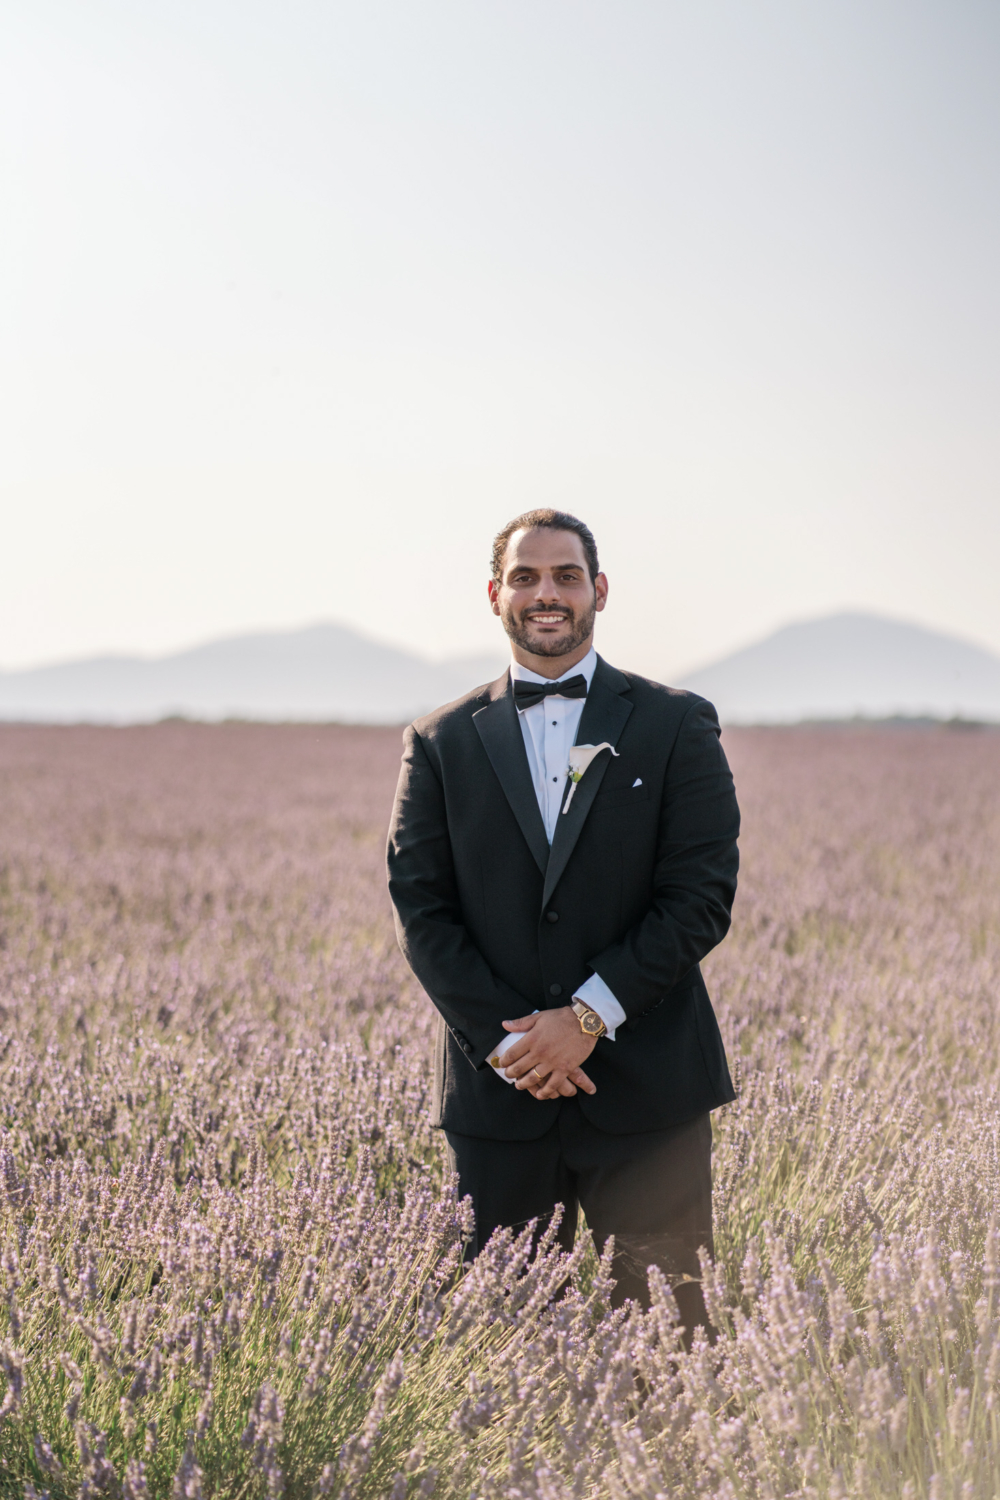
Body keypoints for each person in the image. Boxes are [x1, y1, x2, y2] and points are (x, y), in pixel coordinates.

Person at [386, 509, 739, 1333]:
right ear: (494, 595)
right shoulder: (439, 741)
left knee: (671, 1342)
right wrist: (514, 1044)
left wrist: (586, 1017)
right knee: (499, 1359)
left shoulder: (675, 724)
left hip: (650, 1094)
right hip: (500, 1097)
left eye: (566, 576)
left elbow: (700, 899)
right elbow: (421, 910)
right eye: (526, 576)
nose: (547, 594)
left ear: (600, 591)